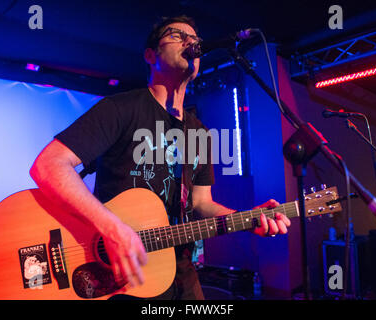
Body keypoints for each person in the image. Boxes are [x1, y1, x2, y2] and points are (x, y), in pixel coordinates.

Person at [30, 15, 291, 300]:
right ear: (150, 55)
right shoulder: (120, 109)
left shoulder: (200, 133)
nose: (191, 42)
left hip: (180, 272)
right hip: (121, 274)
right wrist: (112, 228)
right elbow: (48, 165)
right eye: (177, 35)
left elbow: (200, 204)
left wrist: (247, 219)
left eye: (196, 39)